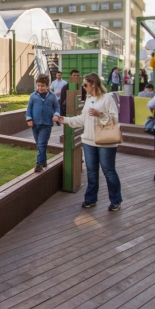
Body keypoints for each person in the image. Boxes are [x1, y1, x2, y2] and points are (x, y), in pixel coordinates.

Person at [54, 73, 122, 210]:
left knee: (108, 171)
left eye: (85, 85)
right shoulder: (89, 99)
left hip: (105, 142)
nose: (83, 87)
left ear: (93, 84)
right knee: (91, 171)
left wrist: (100, 114)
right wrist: (65, 120)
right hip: (89, 141)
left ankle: (115, 200)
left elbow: (114, 119)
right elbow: (82, 119)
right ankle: (91, 199)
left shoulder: (107, 98)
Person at [26, 74, 60, 172]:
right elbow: (29, 109)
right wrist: (29, 119)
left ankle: (39, 163)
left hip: (46, 124)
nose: (40, 88)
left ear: (47, 86)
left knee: (41, 143)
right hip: (35, 124)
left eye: (42, 86)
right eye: (39, 85)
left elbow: (57, 107)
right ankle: (44, 160)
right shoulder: (33, 96)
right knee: (40, 144)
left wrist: (56, 115)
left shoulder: (52, 96)